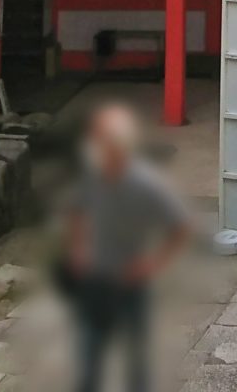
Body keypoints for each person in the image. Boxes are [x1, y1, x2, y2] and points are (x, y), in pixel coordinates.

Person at [61, 101, 192, 392]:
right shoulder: (92, 175)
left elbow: (181, 226)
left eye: (102, 140)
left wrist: (153, 264)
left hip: (131, 278)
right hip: (96, 277)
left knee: (136, 356)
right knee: (90, 353)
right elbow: (77, 210)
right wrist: (79, 248)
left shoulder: (145, 183)